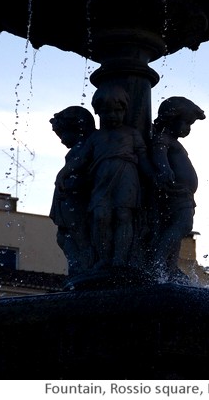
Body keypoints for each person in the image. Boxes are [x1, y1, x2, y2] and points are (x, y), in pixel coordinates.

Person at [55, 85, 154, 270]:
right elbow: (81, 159)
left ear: (125, 110)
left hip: (126, 177)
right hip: (101, 180)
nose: (112, 116)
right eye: (106, 112)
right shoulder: (95, 137)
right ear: (98, 113)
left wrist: (155, 177)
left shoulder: (132, 133)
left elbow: (144, 160)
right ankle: (103, 257)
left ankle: (120, 258)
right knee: (101, 215)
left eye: (117, 111)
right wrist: (63, 173)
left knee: (123, 215)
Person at [150, 96, 205, 282]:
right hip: (175, 191)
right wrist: (164, 169)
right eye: (186, 123)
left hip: (184, 194)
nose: (188, 129)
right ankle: (157, 262)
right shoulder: (162, 138)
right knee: (182, 225)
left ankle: (169, 266)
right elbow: (159, 154)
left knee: (176, 228)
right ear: (171, 119)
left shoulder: (171, 140)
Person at [49, 106, 96, 275]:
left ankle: (84, 268)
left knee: (79, 237)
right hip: (68, 200)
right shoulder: (81, 149)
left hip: (76, 200)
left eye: (63, 135)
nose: (62, 141)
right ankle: (79, 268)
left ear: (79, 129)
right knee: (65, 237)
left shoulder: (86, 148)